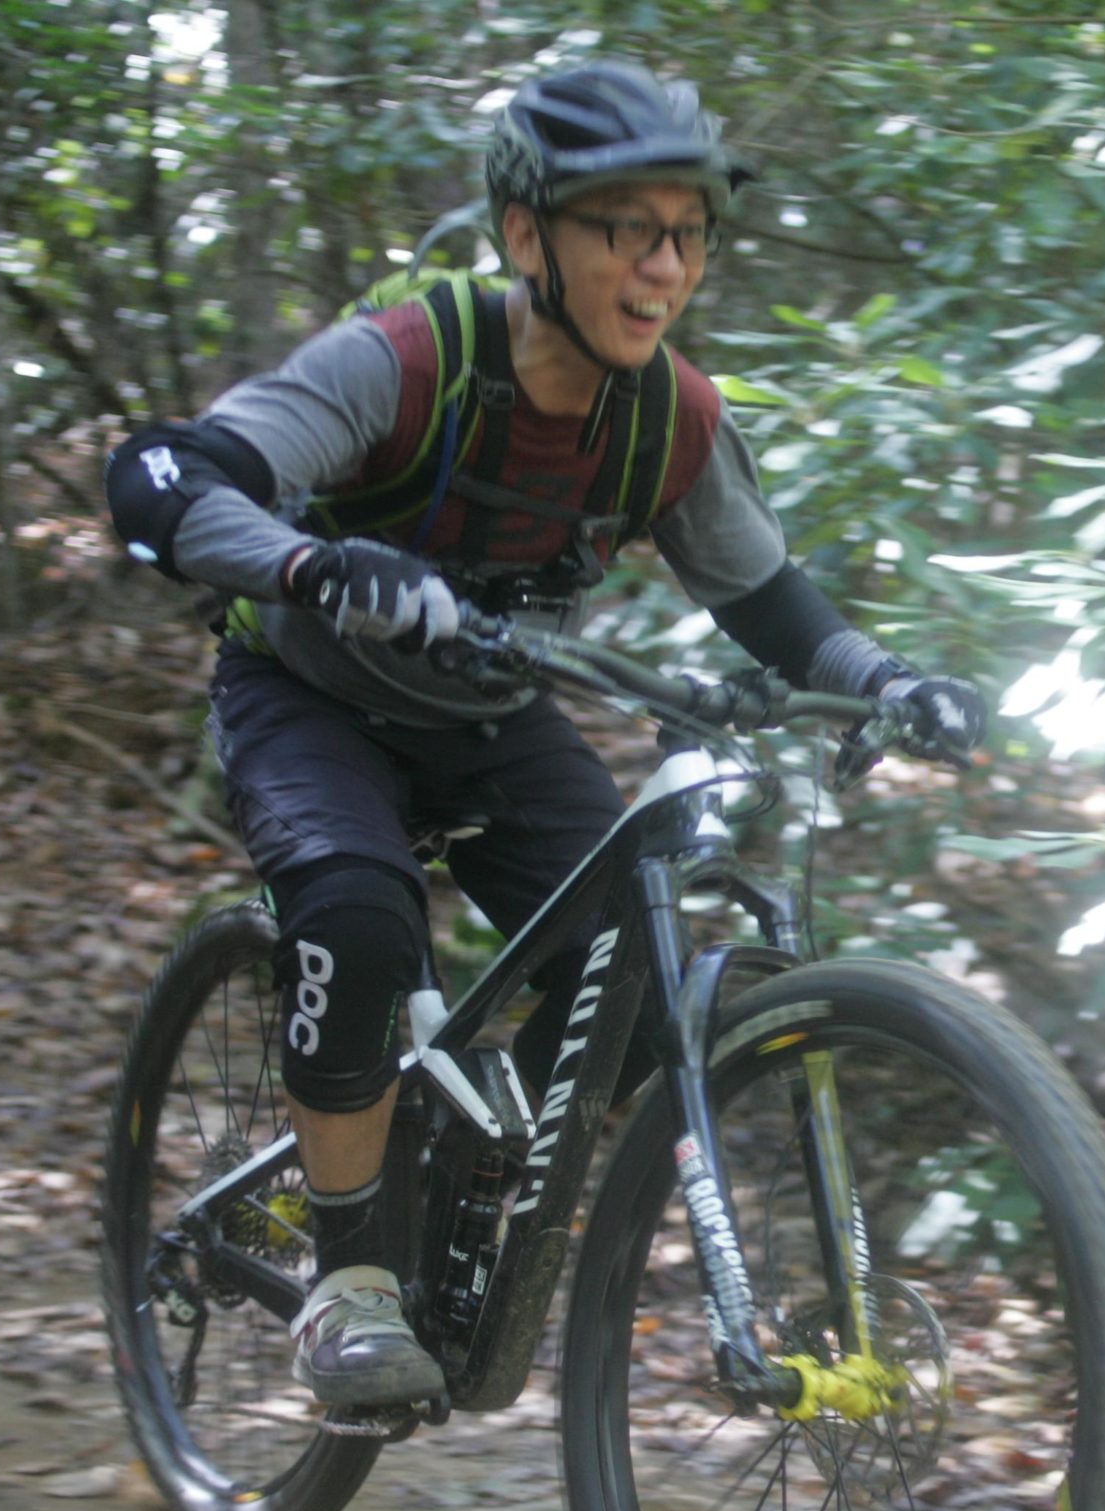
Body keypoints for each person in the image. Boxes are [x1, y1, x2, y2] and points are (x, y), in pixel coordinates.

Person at [104, 61, 985, 1410]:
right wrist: (312, 567)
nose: (664, 265)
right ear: (529, 238)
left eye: (688, 232)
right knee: (354, 914)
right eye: (626, 227)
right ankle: (349, 1281)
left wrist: (886, 679)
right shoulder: (408, 361)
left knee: (640, 989)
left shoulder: (669, 420)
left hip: (492, 723)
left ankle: (428, 1156)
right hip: (313, 698)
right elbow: (167, 475)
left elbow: (768, 599)